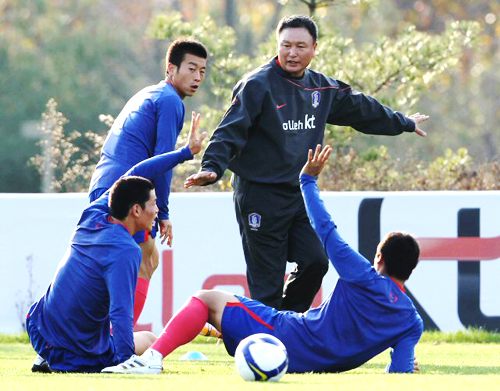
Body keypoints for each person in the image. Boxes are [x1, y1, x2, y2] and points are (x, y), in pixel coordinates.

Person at [103, 144, 422, 374]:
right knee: (219, 313)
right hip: (315, 365)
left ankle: (151, 360)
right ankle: (217, 330)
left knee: (206, 298)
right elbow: (401, 373)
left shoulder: (363, 275)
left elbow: (325, 227)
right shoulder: (410, 321)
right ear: (410, 271)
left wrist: (308, 181)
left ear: (378, 256)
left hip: (289, 336)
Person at [184, 15, 429, 313]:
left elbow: (362, 109)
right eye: (285, 45)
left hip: (299, 195)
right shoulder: (256, 85)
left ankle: (285, 327)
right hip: (260, 196)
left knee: (316, 262)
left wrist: (402, 122)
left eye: (300, 46)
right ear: (277, 45)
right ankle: (263, 348)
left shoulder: (321, 88)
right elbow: (229, 130)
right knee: (267, 286)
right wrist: (212, 166)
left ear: (315, 48)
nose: (292, 52)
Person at [27, 113, 207, 373]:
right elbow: (120, 313)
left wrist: (184, 153)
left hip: (40, 330)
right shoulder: (126, 250)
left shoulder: (94, 214)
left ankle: (46, 357)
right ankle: (72, 357)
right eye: (154, 204)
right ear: (136, 210)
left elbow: (138, 172)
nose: (158, 210)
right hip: (77, 354)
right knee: (149, 340)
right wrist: (125, 361)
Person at [89, 39, 208, 326]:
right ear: (171, 68)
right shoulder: (170, 101)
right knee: (146, 261)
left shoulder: (150, 93)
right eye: (191, 68)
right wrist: (163, 212)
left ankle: (101, 338)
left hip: (104, 187)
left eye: (203, 71)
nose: (197, 77)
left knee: (124, 264)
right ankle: (119, 343)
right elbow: (163, 162)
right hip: (124, 195)